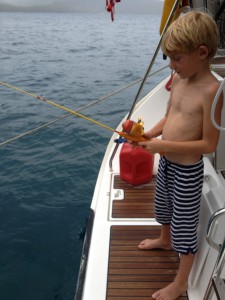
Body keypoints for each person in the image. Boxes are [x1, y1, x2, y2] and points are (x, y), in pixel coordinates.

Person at [137, 11, 223, 300]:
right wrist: (151, 134)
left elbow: (209, 144)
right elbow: (169, 115)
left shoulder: (212, 90)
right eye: (169, 59)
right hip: (167, 165)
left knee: (184, 229)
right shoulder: (179, 78)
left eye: (176, 58)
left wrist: (163, 147)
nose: (172, 65)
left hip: (187, 171)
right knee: (162, 209)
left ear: (201, 52)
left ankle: (181, 282)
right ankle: (164, 240)